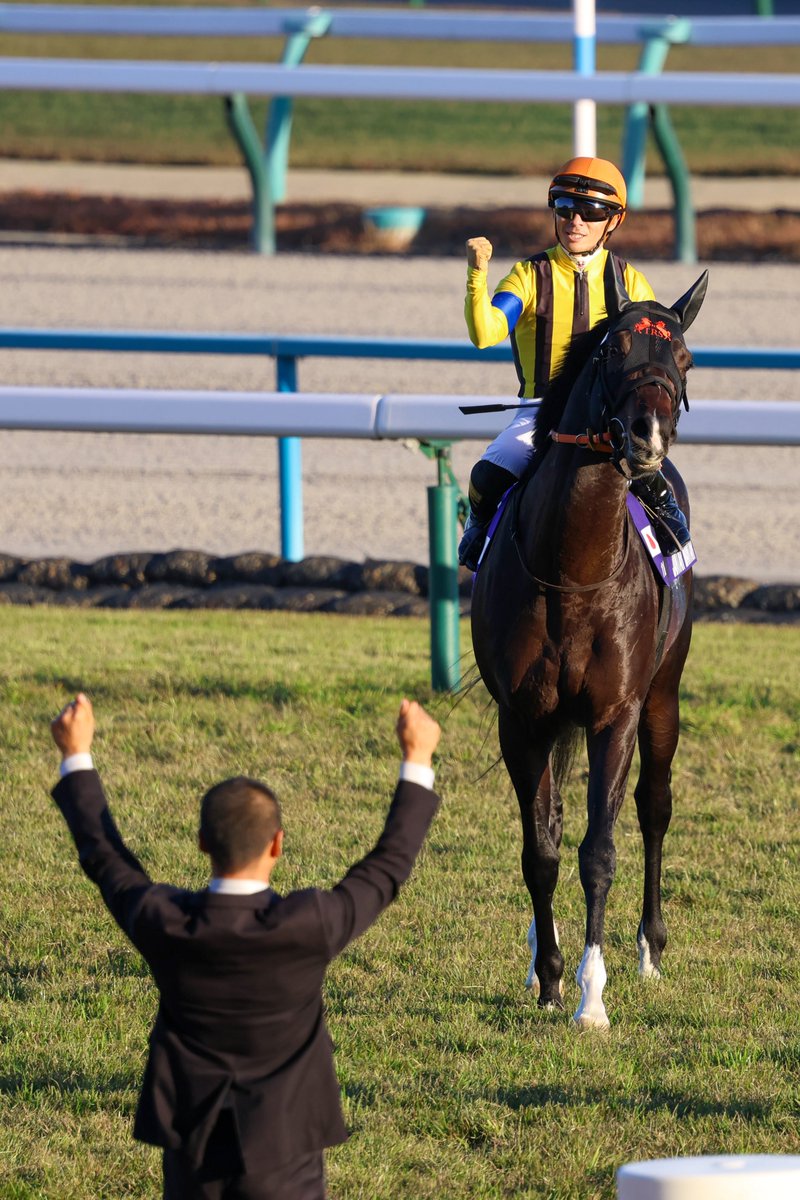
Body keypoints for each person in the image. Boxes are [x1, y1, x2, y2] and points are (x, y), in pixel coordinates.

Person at [50, 692, 441, 1200]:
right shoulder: (309, 924)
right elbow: (388, 866)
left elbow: (105, 857)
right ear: (278, 844)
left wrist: (76, 754)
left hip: (192, 1157)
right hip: (288, 1157)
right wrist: (417, 757)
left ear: (201, 842)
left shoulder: (164, 922)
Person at [459, 155, 691, 571]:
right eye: (565, 209)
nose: (576, 221)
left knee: (659, 485)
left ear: (614, 220)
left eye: (591, 212)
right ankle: (478, 536)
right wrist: (477, 277)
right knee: (488, 474)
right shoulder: (529, 275)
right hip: (538, 414)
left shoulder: (632, 282)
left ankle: (676, 563)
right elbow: (485, 332)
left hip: (609, 414)